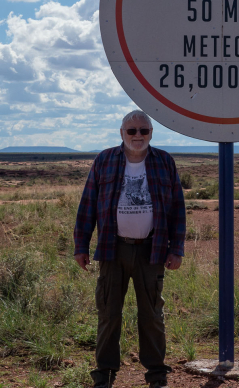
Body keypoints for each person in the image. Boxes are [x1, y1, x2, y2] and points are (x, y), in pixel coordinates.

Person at [74, 110, 186, 388]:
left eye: (143, 131)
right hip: (114, 249)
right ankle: (105, 375)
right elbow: (88, 204)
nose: (138, 135)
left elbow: (177, 209)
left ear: (151, 133)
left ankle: (157, 376)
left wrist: (177, 248)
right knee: (109, 313)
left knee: (151, 315)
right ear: (121, 133)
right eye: (132, 130)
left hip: (152, 249)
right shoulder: (105, 160)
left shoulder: (164, 162)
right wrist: (81, 245)